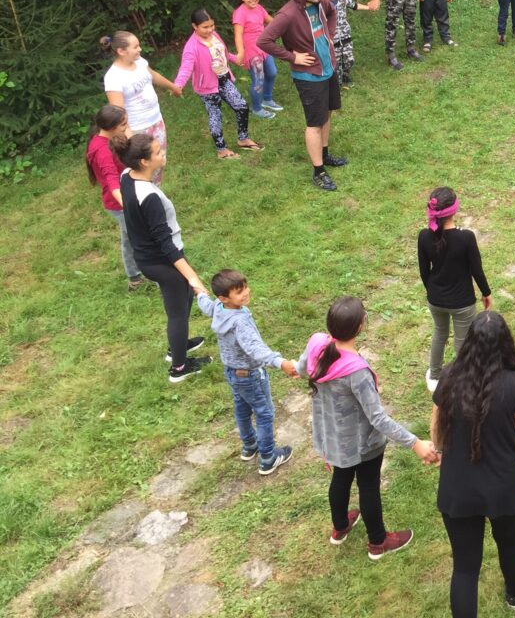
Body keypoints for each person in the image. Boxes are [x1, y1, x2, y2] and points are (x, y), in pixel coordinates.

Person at [431, 311, 515, 616]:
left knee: (465, 568)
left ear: (469, 343)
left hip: (458, 487)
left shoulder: (450, 376)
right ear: (506, 343)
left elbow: (437, 429)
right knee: (509, 542)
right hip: (503, 488)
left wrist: (440, 454)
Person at [299, 296, 437, 560]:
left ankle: (340, 528)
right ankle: (378, 542)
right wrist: (415, 443)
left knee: (340, 479)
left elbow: (299, 368)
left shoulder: (317, 344)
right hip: (364, 444)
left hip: (334, 439)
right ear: (360, 327)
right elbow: (379, 419)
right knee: (368, 486)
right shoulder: (357, 373)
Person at [118, 133, 210, 382]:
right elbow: (166, 245)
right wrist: (193, 277)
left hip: (150, 256)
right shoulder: (149, 197)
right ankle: (179, 367)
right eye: (157, 152)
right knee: (177, 313)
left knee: (184, 299)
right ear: (144, 162)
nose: (162, 154)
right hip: (162, 261)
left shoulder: (126, 176)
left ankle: (178, 345)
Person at [196, 270, 299, 475]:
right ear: (224, 298)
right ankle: (268, 457)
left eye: (245, 287)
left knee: (242, 409)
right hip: (250, 374)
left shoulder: (219, 307)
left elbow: (207, 306)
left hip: (233, 373)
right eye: (238, 292)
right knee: (264, 412)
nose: (245, 293)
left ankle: (249, 445)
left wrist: (199, 292)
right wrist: (280, 362)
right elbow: (255, 349)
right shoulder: (239, 321)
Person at [257, 0, 348, 192]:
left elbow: (333, 12)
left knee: (326, 112)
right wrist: (292, 56)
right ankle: (318, 171)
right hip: (308, 76)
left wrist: (330, 34)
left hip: (327, 68)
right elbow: (264, 40)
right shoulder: (287, 15)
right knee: (314, 123)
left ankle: (324, 155)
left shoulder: (320, 2)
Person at [417, 187, 493, 392]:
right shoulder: (466, 237)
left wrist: (433, 291)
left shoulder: (424, 236)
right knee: (463, 340)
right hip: (462, 303)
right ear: (454, 210)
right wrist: (486, 293)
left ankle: (434, 375)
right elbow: (477, 270)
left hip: (436, 300)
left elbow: (424, 271)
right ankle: (463, 380)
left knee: (439, 334)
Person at [173, 8, 263, 160]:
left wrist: (234, 59)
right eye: (205, 27)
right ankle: (221, 150)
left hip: (223, 79)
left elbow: (222, 52)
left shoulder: (214, 35)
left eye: (212, 25)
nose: (210, 30)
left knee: (241, 106)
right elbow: (186, 68)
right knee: (215, 116)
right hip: (207, 87)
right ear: (195, 26)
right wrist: (178, 85)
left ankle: (243, 139)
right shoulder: (191, 47)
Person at [101, 30, 180, 184]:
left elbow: (153, 75)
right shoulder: (113, 77)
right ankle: (144, 197)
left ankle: (155, 191)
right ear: (121, 51)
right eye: (135, 47)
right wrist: (132, 139)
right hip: (137, 130)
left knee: (159, 160)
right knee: (143, 168)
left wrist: (173, 87)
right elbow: (118, 114)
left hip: (156, 121)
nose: (140, 49)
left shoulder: (140, 62)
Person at [85, 104, 144, 290]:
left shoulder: (106, 137)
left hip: (127, 197)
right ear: (110, 127)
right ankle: (152, 274)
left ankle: (134, 277)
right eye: (123, 124)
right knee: (140, 238)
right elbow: (112, 182)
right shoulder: (101, 151)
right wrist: (127, 206)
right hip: (119, 203)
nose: (126, 127)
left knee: (129, 237)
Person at [232, 0, 283, 119]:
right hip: (251, 51)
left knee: (272, 73)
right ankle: (256, 108)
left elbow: (270, 21)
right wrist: (240, 52)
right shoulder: (239, 13)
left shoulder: (259, 8)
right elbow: (237, 35)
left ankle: (267, 99)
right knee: (258, 80)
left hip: (264, 46)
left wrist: (284, 24)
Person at [321, 0, 373, 88]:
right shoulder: (320, 2)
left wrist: (369, 7)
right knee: (336, 62)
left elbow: (355, 6)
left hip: (345, 35)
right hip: (331, 38)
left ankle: (346, 74)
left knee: (349, 59)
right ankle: (337, 82)